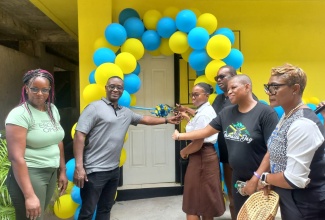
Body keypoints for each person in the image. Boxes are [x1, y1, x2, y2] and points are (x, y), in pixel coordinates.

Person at [73, 76, 181, 220]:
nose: (115, 90)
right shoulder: (94, 108)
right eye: (112, 86)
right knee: (87, 211)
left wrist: (167, 120)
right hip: (94, 171)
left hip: (113, 170)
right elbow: (79, 135)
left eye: (119, 87)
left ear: (123, 91)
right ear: (106, 88)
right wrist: (79, 167)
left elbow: (145, 119)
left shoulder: (126, 112)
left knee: (105, 209)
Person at [172, 74, 278, 218]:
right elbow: (205, 131)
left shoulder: (265, 113)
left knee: (259, 216)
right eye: (228, 89)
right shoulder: (227, 113)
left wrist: (256, 178)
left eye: (234, 87)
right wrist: (180, 136)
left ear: (247, 87)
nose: (229, 92)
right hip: (238, 177)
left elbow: (272, 150)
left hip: (259, 177)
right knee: (242, 214)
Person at [252, 63, 325, 220]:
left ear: (295, 89)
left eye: (275, 87)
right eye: (268, 87)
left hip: (306, 204)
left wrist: (264, 178)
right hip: (291, 199)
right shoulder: (287, 116)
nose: (269, 92)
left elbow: (294, 179)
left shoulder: (303, 124)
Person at [5, 69, 68, 220]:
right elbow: (16, 157)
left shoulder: (52, 109)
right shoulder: (20, 114)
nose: (40, 93)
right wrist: (29, 195)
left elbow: (57, 140)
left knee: (38, 217)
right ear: (26, 88)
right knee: (33, 217)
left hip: (51, 172)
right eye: (34, 89)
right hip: (32, 173)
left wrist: (62, 170)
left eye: (44, 89)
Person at [177, 83, 225, 220]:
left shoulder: (204, 114)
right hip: (206, 156)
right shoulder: (204, 110)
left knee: (192, 204)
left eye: (196, 94)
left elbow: (198, 142)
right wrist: (187, 116)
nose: (193, 97)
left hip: (201, 156)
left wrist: (184, 151)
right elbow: (197, 124)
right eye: (192, 94)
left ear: (206, 95)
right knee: (205, 201)